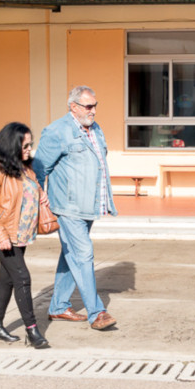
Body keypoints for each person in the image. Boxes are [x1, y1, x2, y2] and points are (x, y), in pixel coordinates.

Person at [33, 85, 118, 331]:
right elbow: (39, 169)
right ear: (73, 106)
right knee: (83, 255)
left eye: (95, 106)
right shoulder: (57, 131)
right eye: (88, 106)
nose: (93, 111)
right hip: (67, 207)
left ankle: (58, 306)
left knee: (71, 255)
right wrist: (41, 199)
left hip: (88, 205)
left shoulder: (95, 129)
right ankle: (97, 312)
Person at [0, 122, 49, 349]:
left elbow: (33, 187)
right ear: (11, 144)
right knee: (22, 278)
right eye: (25, 145)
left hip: (21, 234)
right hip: (3, 234)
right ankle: (32, 330)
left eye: (30, 144)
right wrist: (1, 235)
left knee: (7, 280)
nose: (29, 149)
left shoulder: (24, 167)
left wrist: (41, 195)